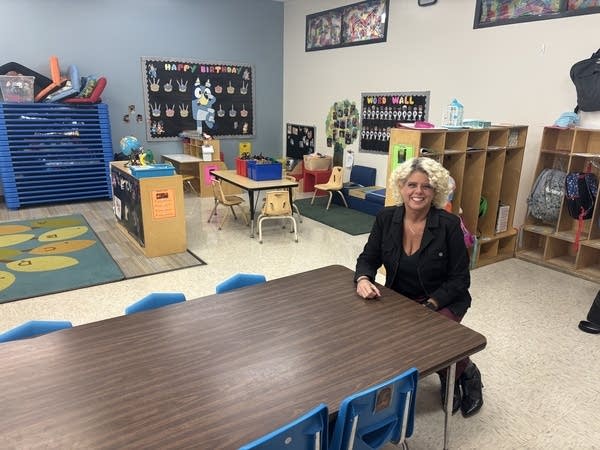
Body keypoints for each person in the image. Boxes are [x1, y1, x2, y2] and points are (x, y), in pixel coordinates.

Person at [354, 157, 483, 417]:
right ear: (401, 187)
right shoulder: (386, 218)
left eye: (426, 186)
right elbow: (368, 258)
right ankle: (455, 367)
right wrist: (364, 279)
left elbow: (460, 279)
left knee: (434, 341)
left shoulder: (448, 225)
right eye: (411, 184)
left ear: (435, 191)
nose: (418, 192)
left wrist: (431, 305)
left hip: (443, 299)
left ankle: (464, 373)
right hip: (400, 299)